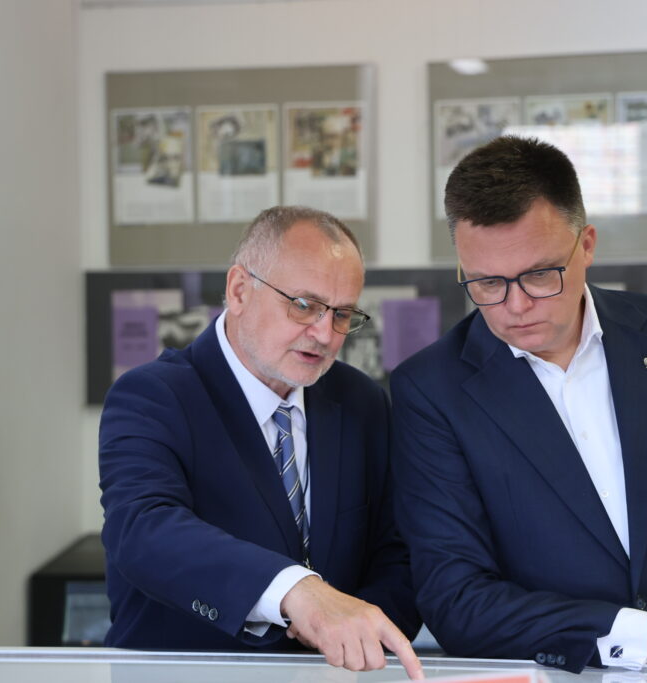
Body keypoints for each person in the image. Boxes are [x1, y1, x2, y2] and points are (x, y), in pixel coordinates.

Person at [389, 136, 647, 673]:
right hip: (554, 673)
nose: (516, 306)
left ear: (586, 245)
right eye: (488, 282)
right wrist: (645, 634)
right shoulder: (430, 389)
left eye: (540, 274)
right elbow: (456, 597)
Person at [99, 206, 422, 679]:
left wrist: (351, 641)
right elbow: (143, 532)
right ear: (239, 290)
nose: (324, 334)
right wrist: (297, 592)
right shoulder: (153, 395)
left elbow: (397, 551)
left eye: (342, 314)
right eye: (304, 305)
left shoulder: (361, 401)